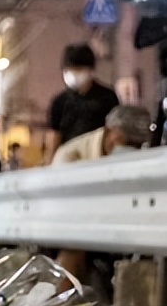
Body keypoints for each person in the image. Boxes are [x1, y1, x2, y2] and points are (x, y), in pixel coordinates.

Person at [52, 105, 152, 286]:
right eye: (126, 141)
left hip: (123, 229)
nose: (131, 148)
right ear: (109, 132)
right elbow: (68, 211)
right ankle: (59, 304)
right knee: (73, 251)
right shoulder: (70, 156)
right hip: (81, 231)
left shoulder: (143, 160)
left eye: (136, 144)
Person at [46, 44, 120, 163]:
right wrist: (49, 162)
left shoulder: (107, 97)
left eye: (78, 70)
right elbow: (54, 136)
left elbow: (114, 131)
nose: (73, 74)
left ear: (90, 70)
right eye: (68, 70)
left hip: (97, 156)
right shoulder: (60, 101)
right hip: (68, 158)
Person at [53, 103, 151, 166]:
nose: (132, 149)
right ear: (111, 132)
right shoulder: (68, 158)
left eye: (137, 145)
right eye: (130, 143)